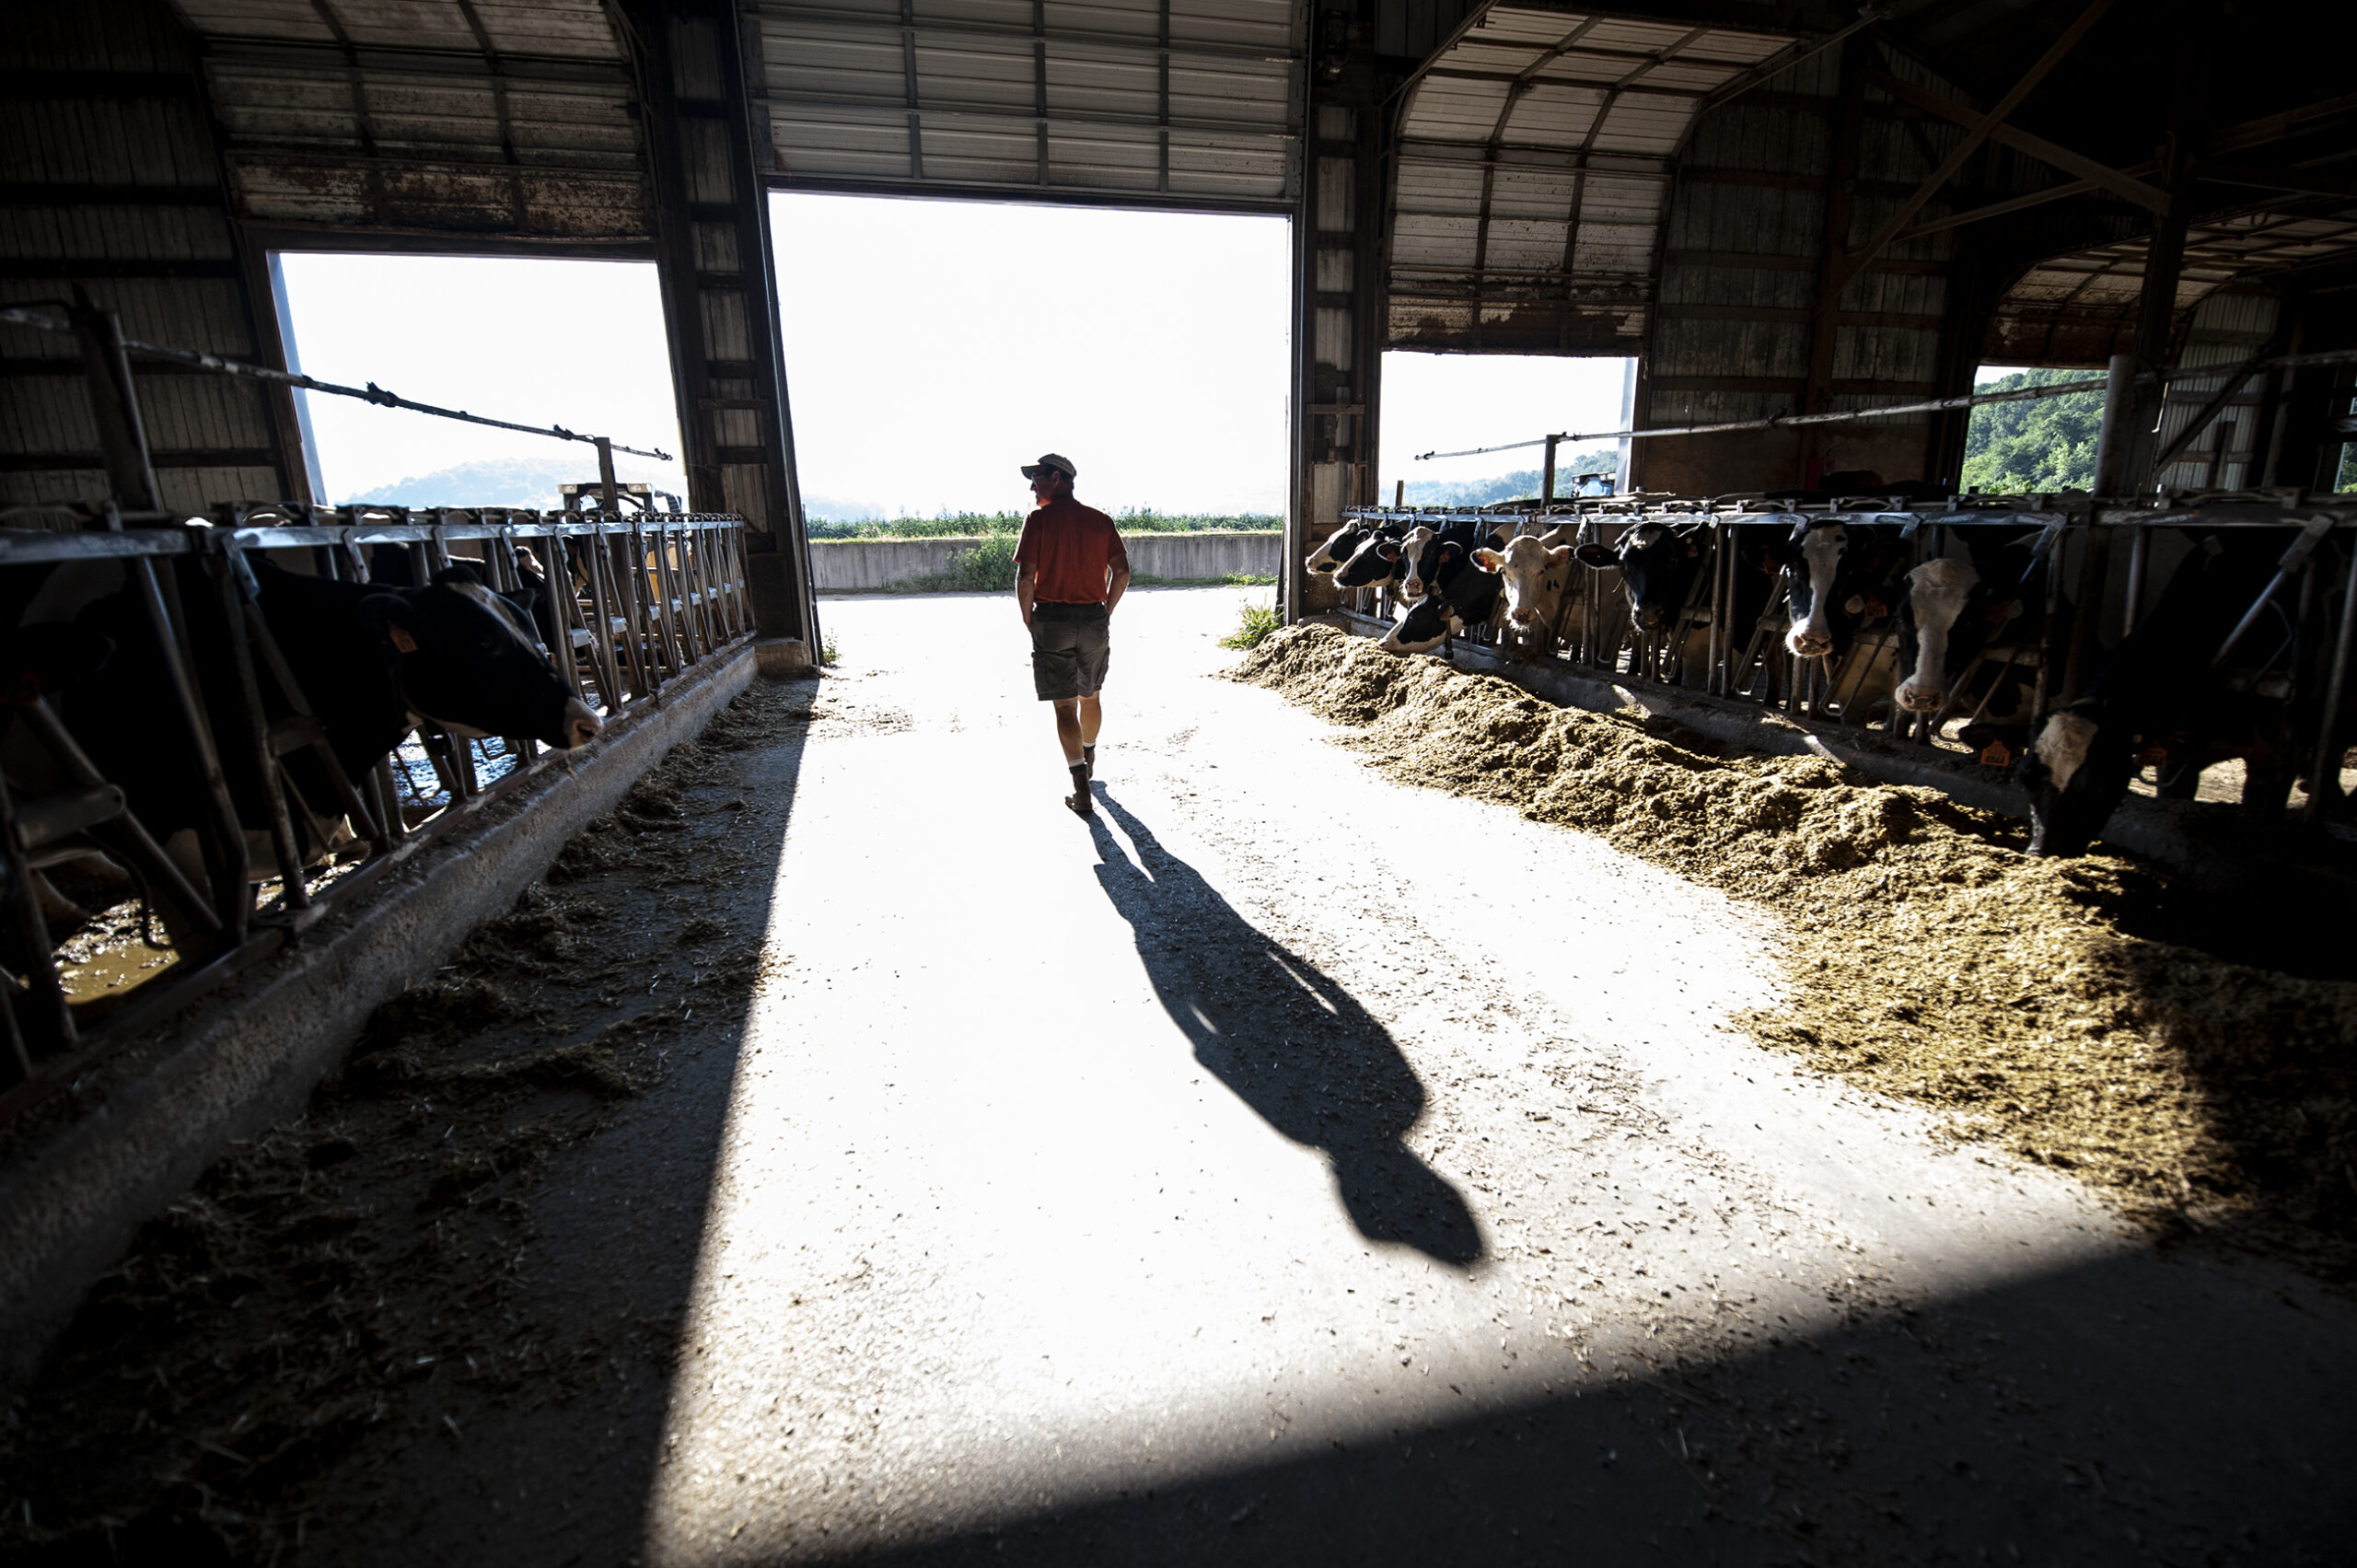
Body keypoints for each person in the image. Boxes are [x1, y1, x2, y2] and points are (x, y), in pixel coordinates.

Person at [1012, 452, 1130, 817]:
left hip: (1052, 619)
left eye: (1038, 479)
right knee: (1090, 697)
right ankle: (1089, 759)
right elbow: (1122, 573)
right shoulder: (1101, 521)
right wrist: (1104, 611)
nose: (1032, 487)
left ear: (1057, 479)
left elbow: (1025, 577)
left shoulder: (1038, 520)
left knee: (1064, 705)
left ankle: (1081, 789)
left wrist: (1028, 618)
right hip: (1092, 618)